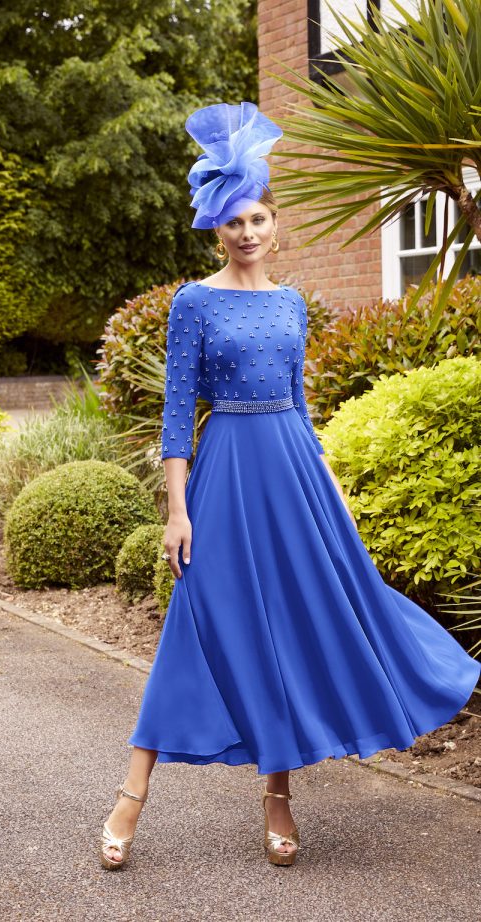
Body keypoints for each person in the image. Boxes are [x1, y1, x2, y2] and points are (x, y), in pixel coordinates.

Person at [98, 101, 480, 870]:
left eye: (260, 218)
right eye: (234, 220)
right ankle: (130, 798)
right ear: (216, 227)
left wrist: (332, 492)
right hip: (225, 478)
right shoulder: (193, 303)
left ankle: (278, 798)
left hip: (294, 475)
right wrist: (177, 510)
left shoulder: (292, 304)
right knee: (198, 626)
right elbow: (178, 415)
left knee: (292, 628)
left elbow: (304, 409)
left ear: (277, 226)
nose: (247, 232)